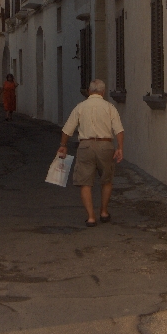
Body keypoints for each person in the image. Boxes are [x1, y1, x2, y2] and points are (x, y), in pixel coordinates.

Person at [57, 79, 124, 227]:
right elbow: (118, 129)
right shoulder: (110, 107)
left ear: (89, 91)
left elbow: (67, 129)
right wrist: (119, 147)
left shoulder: (80, 107)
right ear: (103, 92)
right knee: (107, 180)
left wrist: (63, 145)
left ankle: (91, 217)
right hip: (105, 145)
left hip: (85, 146)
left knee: (85, 182)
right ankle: (104, 212)